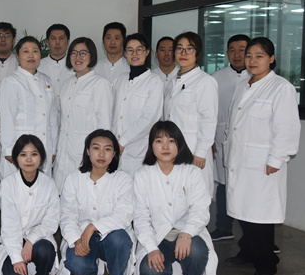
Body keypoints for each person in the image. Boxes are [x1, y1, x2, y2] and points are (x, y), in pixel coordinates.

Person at [224, 37, 301, 275]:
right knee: (244, 213)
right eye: (249, 56)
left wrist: (276, 159)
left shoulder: (281, 88)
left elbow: (287, 129)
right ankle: (247, 252)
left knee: (260, 217)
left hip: (263, 164)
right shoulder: (243, 85)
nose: (252, 60)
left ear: (271, 58)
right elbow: (234, 123)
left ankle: (267, 264)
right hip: (240, 160)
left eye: (259, 56)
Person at [133, 121, 217, 275]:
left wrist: (187, 233)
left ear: (179, 144)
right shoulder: (142, 175)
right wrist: (152, 248)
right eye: (159, 141)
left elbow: (201, 208)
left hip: (186, 233)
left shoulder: (192, 172)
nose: (165, 146)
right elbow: (140, 217)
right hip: (158, 236)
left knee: (197, 250)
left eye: (171, 141)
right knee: (151, 270)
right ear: (151, 145)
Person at [56, 130, 134, 275]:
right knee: (77, 265)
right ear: (87, 151)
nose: (101, 154)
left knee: (120, 239)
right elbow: (67, 215)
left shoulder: (122, 179)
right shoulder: (73, 179)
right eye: (96, 148)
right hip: (82, 235)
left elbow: (124, 215)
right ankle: (90, 273)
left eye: (108, 149)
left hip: (112, 236)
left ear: (114, 154)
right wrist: (76, 240)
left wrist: (93, 226)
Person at [0, 134, 60, 275]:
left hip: (39, 239)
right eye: (23, 154)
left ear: (41, 157)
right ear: (16, 158)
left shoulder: (49, 184)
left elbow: (51, 221)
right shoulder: (8, 184)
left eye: (34, 154)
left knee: (44, 249)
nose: (29, 159)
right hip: (14, 239)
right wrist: (17, 258)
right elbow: (9, 225)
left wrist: (31, 240)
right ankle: (23, 268)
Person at [53, 37, 113, 192]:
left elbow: (104, 124)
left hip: (85, 150)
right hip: (64, 148)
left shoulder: (100, 83)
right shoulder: (67, 83)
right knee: (62, 192)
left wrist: (100, 153)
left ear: (91, 56)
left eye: (83, 53)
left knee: (83, 192)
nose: (78, 57)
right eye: (74, 53)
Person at [163, 31, 217, 198]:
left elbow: (209, 119)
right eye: (179, 48)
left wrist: (201, 152)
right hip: (173, 148)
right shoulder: (173, 82)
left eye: (189, 49)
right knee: (175, 197)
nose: (183, 53)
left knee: (195, 197)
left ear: (197, 53)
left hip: (194, 149)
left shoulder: (205, 81)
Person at [209, 34, 251, 241]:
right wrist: (211, 139)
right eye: (232, 50)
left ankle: (255, 237)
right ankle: (224, 227)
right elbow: (210, 111)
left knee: (247, 186)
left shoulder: (256, 77)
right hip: (220, 138)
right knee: (224, 184)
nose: (237, 54)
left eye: (242, 50)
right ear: (226, 53)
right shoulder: (217, 77)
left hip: (246, 141)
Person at [0, 36, 59, 179]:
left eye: (35, 51)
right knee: (19, 186)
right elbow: (7, 117)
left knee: (42, 186)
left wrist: (53, 149)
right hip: (20, 148)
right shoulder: (11, 81)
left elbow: (53, 117)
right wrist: (9, 150)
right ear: (18, 56)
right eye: (26, 51)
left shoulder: (46, 80)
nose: (31, 55)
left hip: (45, 146)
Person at [112, 33, 164, 178]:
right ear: (124, 53)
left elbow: (149, 119)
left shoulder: (154, 82)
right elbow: (113, 113)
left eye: (139, 49)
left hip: (139, 150)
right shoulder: (119, 80)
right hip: (116, 147)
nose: (134, 54)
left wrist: (123, 141)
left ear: (147, 52)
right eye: (130, 50)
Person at [38, 23, 72, 100]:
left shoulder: (75, 65)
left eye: (61, 38)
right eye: (53, 38)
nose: (57, 42)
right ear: (47, 42)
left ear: (68, 41)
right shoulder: (38, 66)